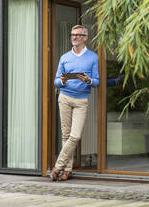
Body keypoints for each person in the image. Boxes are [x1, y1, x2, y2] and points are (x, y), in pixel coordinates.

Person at [51, 25, 99, 181]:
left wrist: (89, 80)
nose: (74, 37)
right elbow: (56, 81)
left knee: (75, 136)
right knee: (65, 135)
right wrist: (62, 81)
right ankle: (67, 170)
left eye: (78, 35)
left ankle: (58, 166)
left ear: (85, 38)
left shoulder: (93, 57)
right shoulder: (64, 57)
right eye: (72, 34)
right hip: (64, 98)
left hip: (81, 100)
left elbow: (97, 81)